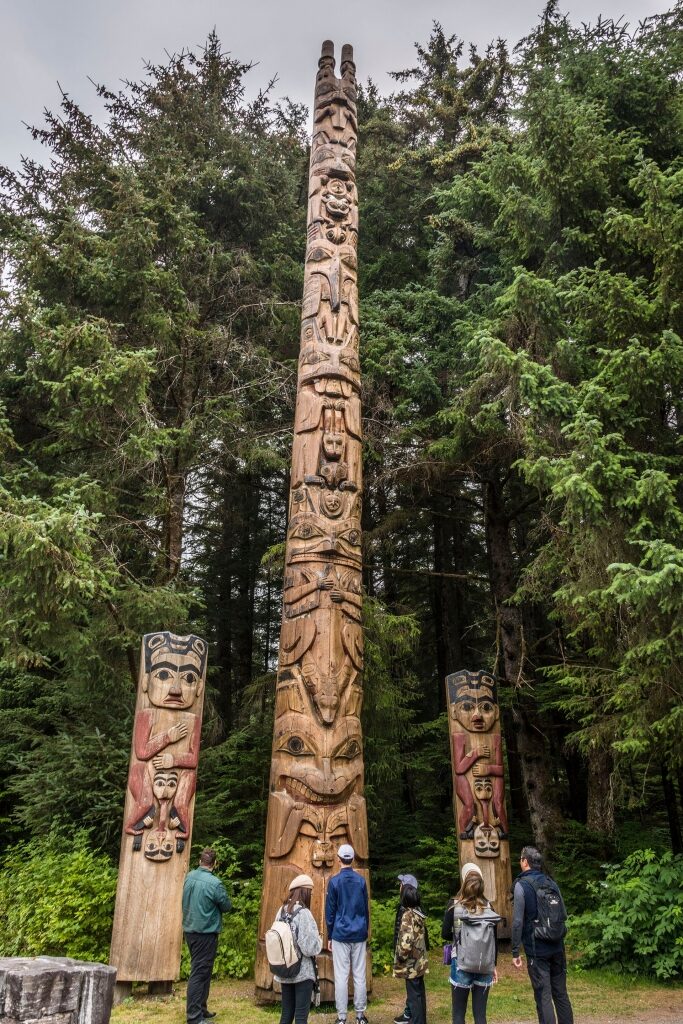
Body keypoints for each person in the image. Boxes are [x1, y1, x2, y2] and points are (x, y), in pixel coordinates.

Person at [512, 846, 574, 1024]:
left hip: (537, 949)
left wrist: (515, 951)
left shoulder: (521, 886)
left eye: (520, 859)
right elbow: (562, 914)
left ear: (525, 862)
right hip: (557, 945)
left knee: (543, 995)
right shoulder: (551, 883)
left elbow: (517, 922)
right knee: (561, 994)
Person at [442, 863, 498, 1024]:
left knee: (458, 1014)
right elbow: (494, 940)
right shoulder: (489, 907)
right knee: (480, 1015)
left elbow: (445, 934)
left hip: (461, 962)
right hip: (485, 964)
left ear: (464, 885)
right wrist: (494, 965)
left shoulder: (454, 906)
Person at [182, 847, 232, 1024]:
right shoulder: (214, 883)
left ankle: (201, 1009)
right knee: (199, 973)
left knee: (204, 972)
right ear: (215, 864)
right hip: (205, 932)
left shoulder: (189, 876)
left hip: (190, 930)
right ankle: (194, 1017)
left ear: (199, 862)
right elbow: (226, 905)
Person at [325, 843, 369, 1024]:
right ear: (352, 859)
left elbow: (330, 912)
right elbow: (365, 909)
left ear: (338, 859)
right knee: (359, 975)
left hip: (341, 933)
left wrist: (329, 934)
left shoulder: (334, 881)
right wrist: (365, 929)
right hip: (358, 931)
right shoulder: (361, 881)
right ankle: (360, 1015)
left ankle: (342, 1017)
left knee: (341, 976)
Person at [272, 874, 323, 1024]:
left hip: (285, 970)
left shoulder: (281, 911)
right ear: (305, 892)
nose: (311, 895)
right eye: (310, 892)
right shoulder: (304, 913)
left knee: (286, 1014)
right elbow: (309, 948)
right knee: (301, 1017)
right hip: (302, 972)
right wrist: (319, 940)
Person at [393, 882, 429, 1024]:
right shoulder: (418, 913)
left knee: (414, 996)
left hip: (411, 963)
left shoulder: (407, 915)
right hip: (419, 961)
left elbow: (405, 941)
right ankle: (421, 1020)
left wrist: (400, 956)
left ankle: (416, 1021)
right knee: (419, 993)